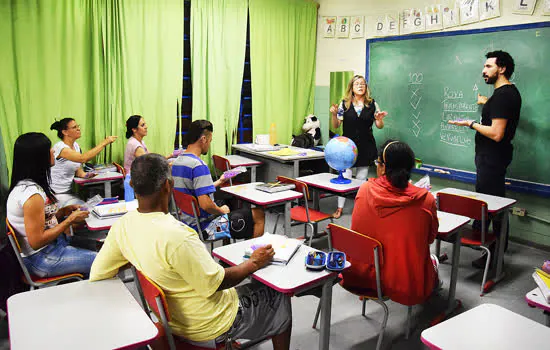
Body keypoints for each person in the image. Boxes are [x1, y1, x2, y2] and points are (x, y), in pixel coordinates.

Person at [90, 154, 292, 348]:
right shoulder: (179, 236)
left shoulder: (122, 226)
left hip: (170, 320)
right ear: (168, 186)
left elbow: (98, 273)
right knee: (278, 296)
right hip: (209, 325)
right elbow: (216, 283)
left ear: (132, 185)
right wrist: (254, 262)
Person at [341, 140, 439, 305]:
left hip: (362, 277)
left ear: (382, 167)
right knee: (433, 260)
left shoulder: (364, 190)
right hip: (404, 284)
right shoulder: (425, 200)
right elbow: (429, 239)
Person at [448, 50, 521, 267]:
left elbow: (497, 133)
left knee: (493, 206)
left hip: (492, 158)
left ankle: (496, 255)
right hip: (493, 158)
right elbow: (499, 114)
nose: (483, 70)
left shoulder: (503, 96)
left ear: (502, 68)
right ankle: (495, 250)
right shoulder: (506, 94)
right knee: (493, 203)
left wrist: (470, 124)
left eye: (489, 66)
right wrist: (486, 103)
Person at [6, 132, 97, 278]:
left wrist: (63, 211)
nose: (53, 151)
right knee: (103, 262)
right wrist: (69, 220)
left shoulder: (30, 186)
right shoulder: (31, 195)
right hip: (42, 257)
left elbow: (41, 221)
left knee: (103, 248)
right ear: (37, 158)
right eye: (49, 149)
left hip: (53, 245)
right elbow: (36, 241)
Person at [171, 120, 265, 240]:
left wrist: (220, 181)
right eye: (210, 141)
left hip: (185, 222)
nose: (209, 145)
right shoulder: (199, 166)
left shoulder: (177, 161)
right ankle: (254, 255)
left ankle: (225, 256)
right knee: (258, 214)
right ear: (203, 139)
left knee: (228, 207)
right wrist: (221, 211)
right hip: (204, 228)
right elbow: (205, 205)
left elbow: (194, 191)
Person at [329, 75, 389, 219]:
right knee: (345, 176)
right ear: (352, 87)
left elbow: (379, 126)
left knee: (362, 178)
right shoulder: (344, 104)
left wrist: (380, 120)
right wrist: (333, 115)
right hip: (347, 146)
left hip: (366, 145)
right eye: (357, 84)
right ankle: (340, 208)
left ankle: (359, 208)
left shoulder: (373, 104)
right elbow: (336, 125)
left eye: (363, 84)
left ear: (366, 87)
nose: (360, 86)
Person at [49, 118, 117, 206]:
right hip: (56, 193)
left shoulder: (76, 146)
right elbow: (83, 158)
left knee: (93, 204)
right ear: (65, 132)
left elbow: (79, 171)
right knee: (83, 209)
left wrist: (87, 175)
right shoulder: (60, 147)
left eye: (78, 126)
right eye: (74, 127)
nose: (78, 129)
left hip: (68, 192)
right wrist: (104, 143)